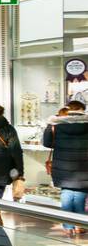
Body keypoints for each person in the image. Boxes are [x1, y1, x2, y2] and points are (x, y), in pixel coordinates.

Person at [42, 100, 88, 235]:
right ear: (82, 110)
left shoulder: (56, 124)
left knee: (66, 196)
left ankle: (68, 227)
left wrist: (49, 127)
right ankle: (81, 225)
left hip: (63, 167)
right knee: (80, 197)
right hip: (84, 167)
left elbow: (47, 143)